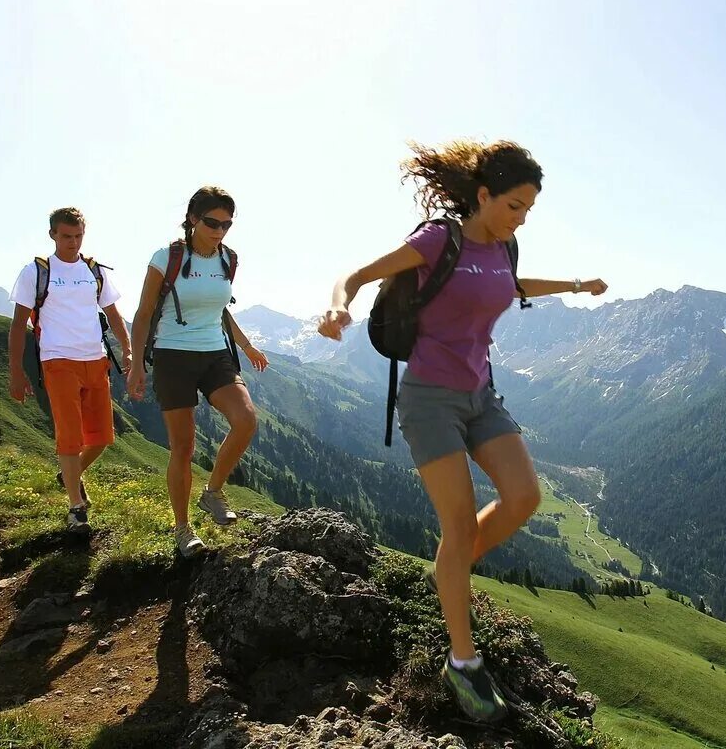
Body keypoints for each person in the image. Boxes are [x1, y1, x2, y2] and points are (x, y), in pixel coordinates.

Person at [318, 140, 608, 722]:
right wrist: (335, 308)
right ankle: (463, 663)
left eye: (528, 209)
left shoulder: (505, 248)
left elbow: (511, 286)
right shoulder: (438, 240)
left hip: (481, 393)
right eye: (514, 206)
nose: (520, 218)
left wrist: (576, 286)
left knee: (525, 496)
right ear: (483, 195)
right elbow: (356, 273)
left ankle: (449, 569)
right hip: (429, 399)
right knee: (457, 522)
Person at [127, 186, 268, 558]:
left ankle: (213, 492)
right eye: (212, 222)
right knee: (183, 448)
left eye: (227, 224)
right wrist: (137, 362)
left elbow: (219, 308)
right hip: (173, 355)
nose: (220, 230)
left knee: (246, 419)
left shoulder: (228, 259)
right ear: (192, 218)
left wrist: (246, 344)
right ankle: (182, 529)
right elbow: (143, 314)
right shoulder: (167, 257)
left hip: (215, 353)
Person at [9, 207, 132, 534]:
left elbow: (113, 312)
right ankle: (76, 507)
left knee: (103, 437)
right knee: (70, 434)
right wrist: (16, 372)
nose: (73, 242)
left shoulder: (94, 271)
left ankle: (69, 474)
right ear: (53, 234)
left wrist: (128, 348)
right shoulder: (35, 272)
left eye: (78, 236)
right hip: (58, 360)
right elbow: (18, 324)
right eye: (66, 236)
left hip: (95, 359)